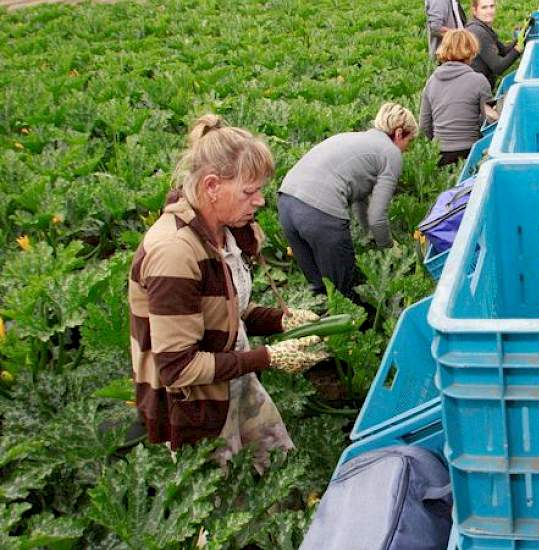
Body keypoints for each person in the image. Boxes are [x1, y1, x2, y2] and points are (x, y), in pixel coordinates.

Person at [129, 114, 326, 470]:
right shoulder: (174, 252)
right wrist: (268, 357)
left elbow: (227, 312)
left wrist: (281, 321)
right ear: (212, 186)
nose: (260, 202)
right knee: (225, 504)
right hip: (197, 405)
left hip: (233, 379)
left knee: (276, 469)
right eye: (249, 192)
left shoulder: (225, 233)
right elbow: (178, 367)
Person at [278, 103, 417, 300]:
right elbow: (377, 217)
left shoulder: (354, 139)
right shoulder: (390, 153)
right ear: (399, 133)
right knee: (343, 295)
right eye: (409, 142)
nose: (406, 150)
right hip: (320, 214)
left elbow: (362, 202)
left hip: (286, 204)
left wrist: (369, 233)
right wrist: (388, 249)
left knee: (318, 289)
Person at [420, 29, 499, 166]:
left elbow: (424, 125)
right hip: (471, 153)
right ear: (471, 51)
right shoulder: (479, 81)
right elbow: (490, 120)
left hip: (441, 155)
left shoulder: (431, 81)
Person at [466, 0, 522, 90]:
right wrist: (517, 50)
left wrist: (520, 38)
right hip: (474, 91)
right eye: (484, 7)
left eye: (492, 6)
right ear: (474, 10)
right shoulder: (478, 32)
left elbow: (503, 51)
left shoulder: (483, 27)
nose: (489, 11)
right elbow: (498, 67)